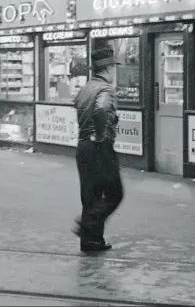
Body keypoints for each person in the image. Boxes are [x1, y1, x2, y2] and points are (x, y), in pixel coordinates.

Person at [73, 48, 124, 253]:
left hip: (83, 145)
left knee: (91, 196)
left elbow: (77, 106)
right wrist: (101, 136)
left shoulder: (86, 87)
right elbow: (102, 109)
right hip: (99, 147)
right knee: (115, 193)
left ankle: (91, 242)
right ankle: (87, 225)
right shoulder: (105, 89)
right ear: (109, 68)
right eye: (114, 68)